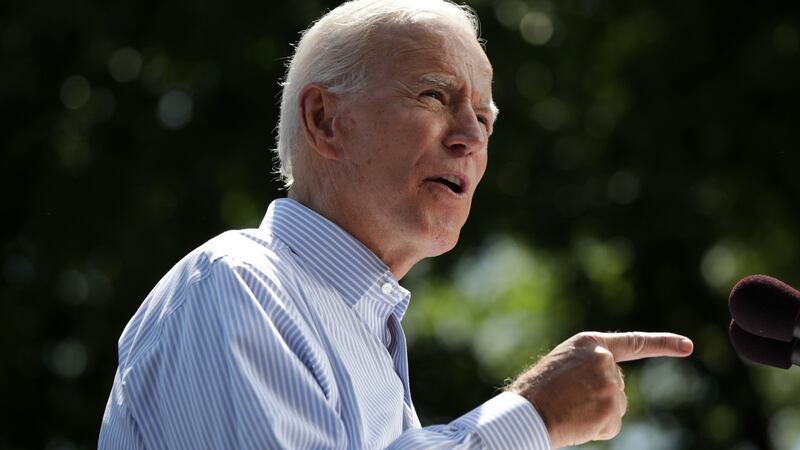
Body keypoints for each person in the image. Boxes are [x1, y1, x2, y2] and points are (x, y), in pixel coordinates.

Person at [99, 0, 694, 448]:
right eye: (435, 96)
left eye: (485, 119)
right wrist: (529, 417)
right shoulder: (237, 285)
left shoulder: (364, 330)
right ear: (325, 119)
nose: (469, 138)